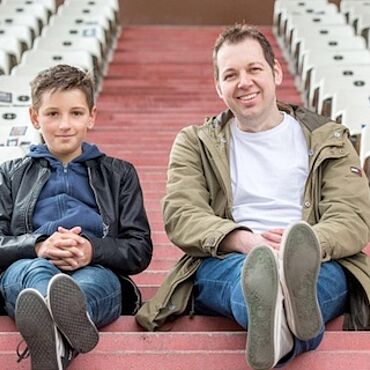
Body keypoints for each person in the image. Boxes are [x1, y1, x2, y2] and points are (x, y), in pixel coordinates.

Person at [136, 24, 370, 369]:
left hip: (319, 259)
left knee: (309, 281)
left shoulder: (329, 139)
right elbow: (182, 214)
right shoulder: (195, 143)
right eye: (230, 74)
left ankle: (276, 329)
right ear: (219, 87)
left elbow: (352, 217)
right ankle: (282, 312)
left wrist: (305, 244)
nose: (243, 82)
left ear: (275, 72)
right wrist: (244, 240)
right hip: (230, 258)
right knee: (250, 279)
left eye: (254, 69)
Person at [0, 64, 153, 370]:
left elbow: (139, 249)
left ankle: (52, 333)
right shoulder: (10, 174)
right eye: (53, 114)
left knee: (94, 286)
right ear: (34, 117)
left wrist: (91, 250)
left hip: (95, 269)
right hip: (28, 266)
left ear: (91, 116)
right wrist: (39, 246)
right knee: (32, 275)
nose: (65, 124)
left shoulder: (119, 174)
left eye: (76, 113)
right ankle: (58, 327)